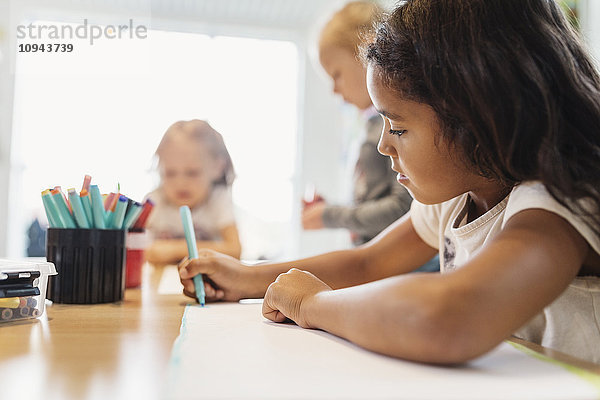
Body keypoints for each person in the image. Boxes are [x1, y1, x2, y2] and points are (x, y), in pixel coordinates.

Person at [178, 0, 600, 365]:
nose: (383, 146)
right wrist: (248, 277)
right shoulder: (456, 199)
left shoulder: (556, 205)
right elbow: (368, 262)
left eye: (397, 127)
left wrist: (312, 304)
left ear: (478, 118)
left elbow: (451, 318)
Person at [302, 1, 413, 247]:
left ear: (368, 51)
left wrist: (330, 215)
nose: (333, 90)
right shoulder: (369, 125)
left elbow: (402, 207)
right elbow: (372, 200)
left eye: (336, 74)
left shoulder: (398, 123)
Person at [144, 120, 241, 265]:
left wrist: (176, 249)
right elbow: (143, 250)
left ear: (217, 167)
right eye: (170, 173)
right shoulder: (154, 202)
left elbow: (235, 249)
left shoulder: (218, 200)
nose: (180, 183)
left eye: (192, 173)